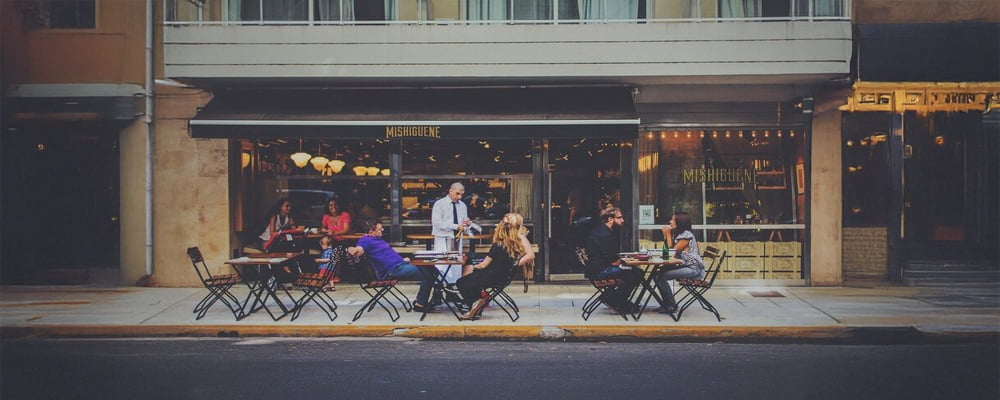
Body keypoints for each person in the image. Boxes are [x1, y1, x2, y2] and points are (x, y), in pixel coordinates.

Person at [347, 218, 439, 313]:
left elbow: (387, 255)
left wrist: (403, 259)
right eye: (379, 229)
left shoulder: (378, 239)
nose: (382, 230)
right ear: (371, 231)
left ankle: (425, 300)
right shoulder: (365, 240)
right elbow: (359, 249)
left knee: (431, 269)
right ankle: (421, 303)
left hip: (400, 265)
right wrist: (352, 249)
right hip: (393, 270)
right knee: (429, 273)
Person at [455, 213, 534, 320]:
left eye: (507, 220)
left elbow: (484, 265)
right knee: (473, 275)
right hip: (503, 277)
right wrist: (510, 266)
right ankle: (476, 306)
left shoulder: (509, 241)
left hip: (493, 276)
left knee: (464, 280)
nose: (503, 222)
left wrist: (513, 264)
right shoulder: (513, 244)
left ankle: (475, 303)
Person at [584, 207, 641, 313]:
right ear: (610, 219)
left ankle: (614, 299)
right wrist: (630, 260)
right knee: (634, 274)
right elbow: (613, 261)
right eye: (619, 217)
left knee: (635, 272)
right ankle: (615, 300)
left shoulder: (602, 230)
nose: (622, 220)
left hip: (596, 269)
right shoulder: (605, 235)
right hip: (600, 271)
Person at [655, 211, 706, 313]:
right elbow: (668, 252)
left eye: (673, 220)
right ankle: (667, 304)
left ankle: (671, 305)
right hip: (686, 266)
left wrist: (668, 234)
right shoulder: (680, 234)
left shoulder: (686, 235)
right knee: (657, 275)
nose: (670, 222)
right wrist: (667, 236)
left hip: (693, 268)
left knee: (660, 276)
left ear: (680, 222)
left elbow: (671, 252)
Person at [431, 182, 480, 283]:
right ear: (450, 191)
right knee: (442, 265)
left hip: (456, 238)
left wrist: (467, 224)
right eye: (457, 194)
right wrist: (455, 226)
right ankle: (440, 290)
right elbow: (437, 223)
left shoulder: (462, 205)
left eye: (462, 194)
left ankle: (453, 289)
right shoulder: (440, 204)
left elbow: (464, 224)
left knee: (456, 266)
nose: (460, 197)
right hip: (443, 238)